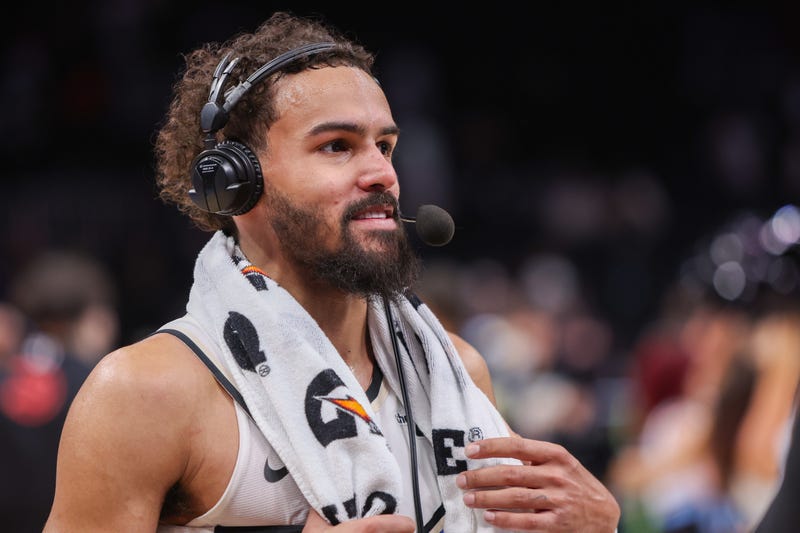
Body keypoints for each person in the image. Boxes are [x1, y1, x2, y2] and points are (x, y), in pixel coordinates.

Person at [43, 11, 620, 533]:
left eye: (385, 146)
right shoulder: (148, 392)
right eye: (338, 146)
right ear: (236, 182)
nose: (381, 174)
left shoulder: (457, 369)